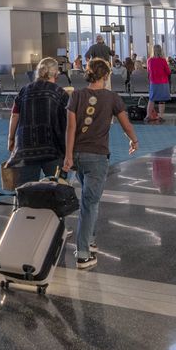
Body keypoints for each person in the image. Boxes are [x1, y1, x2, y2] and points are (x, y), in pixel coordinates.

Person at [64, 58, 138, 271]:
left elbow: (70, 128)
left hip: (77, 155)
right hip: (97, 157)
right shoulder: (112, 98)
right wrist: (134, 140)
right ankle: (83, 254)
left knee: (88, 200)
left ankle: (91, 239)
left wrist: (69, 156)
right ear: (106, 76)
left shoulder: (76, 96)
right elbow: (126, 124)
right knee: (89, 204)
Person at [7, 58, 70, 184]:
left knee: (26, 189)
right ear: (56, 74)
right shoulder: (60, 93)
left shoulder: (24, 90)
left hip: (26, 146)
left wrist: (11, 139)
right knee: (56, 187)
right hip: (53, 147)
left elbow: (14, 115)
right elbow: (68, 122)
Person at [145, 43, 172, 123]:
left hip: (153, 82)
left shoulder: (149, 60)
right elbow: (168, 71)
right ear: (161, 51)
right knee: (162, 100)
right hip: (163, 82)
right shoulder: (163, 60)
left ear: (153, 51)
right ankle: (160, 116)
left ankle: (148, 116)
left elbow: (148, 71)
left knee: (151, 99)